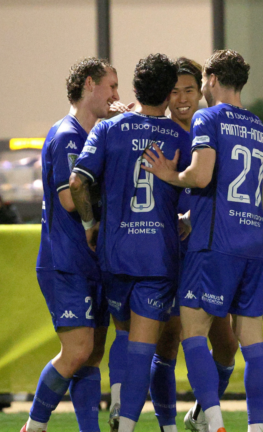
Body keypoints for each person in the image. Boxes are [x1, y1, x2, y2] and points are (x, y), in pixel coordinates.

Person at [141, 49, 263, 432]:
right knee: (254, 345)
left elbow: (200, 177)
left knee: (193, 334)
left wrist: (168, 174)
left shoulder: (208, 117)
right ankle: (256, 428)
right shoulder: (259, 126)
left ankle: (213, 423)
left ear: (211, 80)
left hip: (214, 244)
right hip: (252, 242)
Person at [70, 53, 189, 432]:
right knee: (143, 351)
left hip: (114, 252)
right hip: (157, 257)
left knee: (122, 336)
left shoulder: (108, 130)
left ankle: (118, 406)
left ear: (136, 88)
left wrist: (90, 223)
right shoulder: (182, 138)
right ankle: (128, 425)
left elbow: (77, 183)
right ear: (168, 94)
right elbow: (200, 192)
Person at [23, 57, 124, 432]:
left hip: (87, 262)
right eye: (111, 86)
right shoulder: (68, 135)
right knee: (78, 350)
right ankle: (33, 426)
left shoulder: (90, 135)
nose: (116, 95)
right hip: (65, 262)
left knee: (91, 355)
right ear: (88, 84)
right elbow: (69, 198)